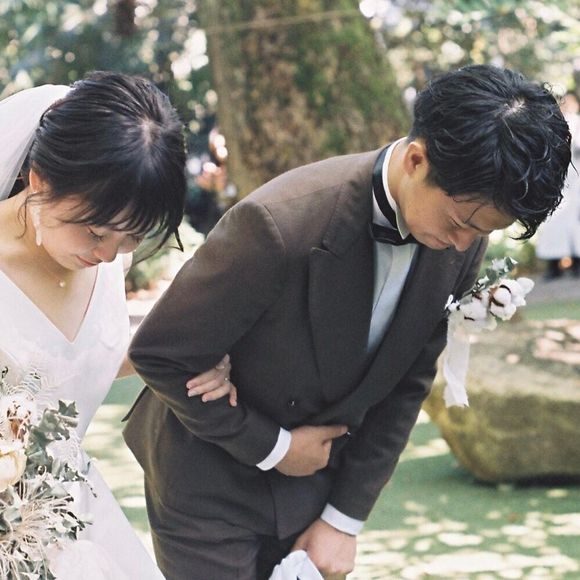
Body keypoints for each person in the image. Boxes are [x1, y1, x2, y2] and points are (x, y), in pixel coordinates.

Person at [124, 64, 571, 579]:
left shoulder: (462, 237)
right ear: (417, 160)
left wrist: (343, 520)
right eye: (460, 224)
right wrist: (275, 448)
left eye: (483, 232)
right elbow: (160, 352)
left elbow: (408, 383)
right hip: (207, 482)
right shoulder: (278, 223)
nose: (464, 245)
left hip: (315, 485)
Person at [0, 72, 235, 579]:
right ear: (39, 181)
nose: (108, 255)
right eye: (94, 231)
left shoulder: (107, 259)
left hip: (73, 518)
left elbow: (81, 363)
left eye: (131, 238)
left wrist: (189, 359)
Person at [536, 90, 580, 279]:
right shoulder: (552, 124)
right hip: (556, 179)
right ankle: (554, 266)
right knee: (553, 221)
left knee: (575, 224)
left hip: (576, 180)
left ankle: (577, 264)